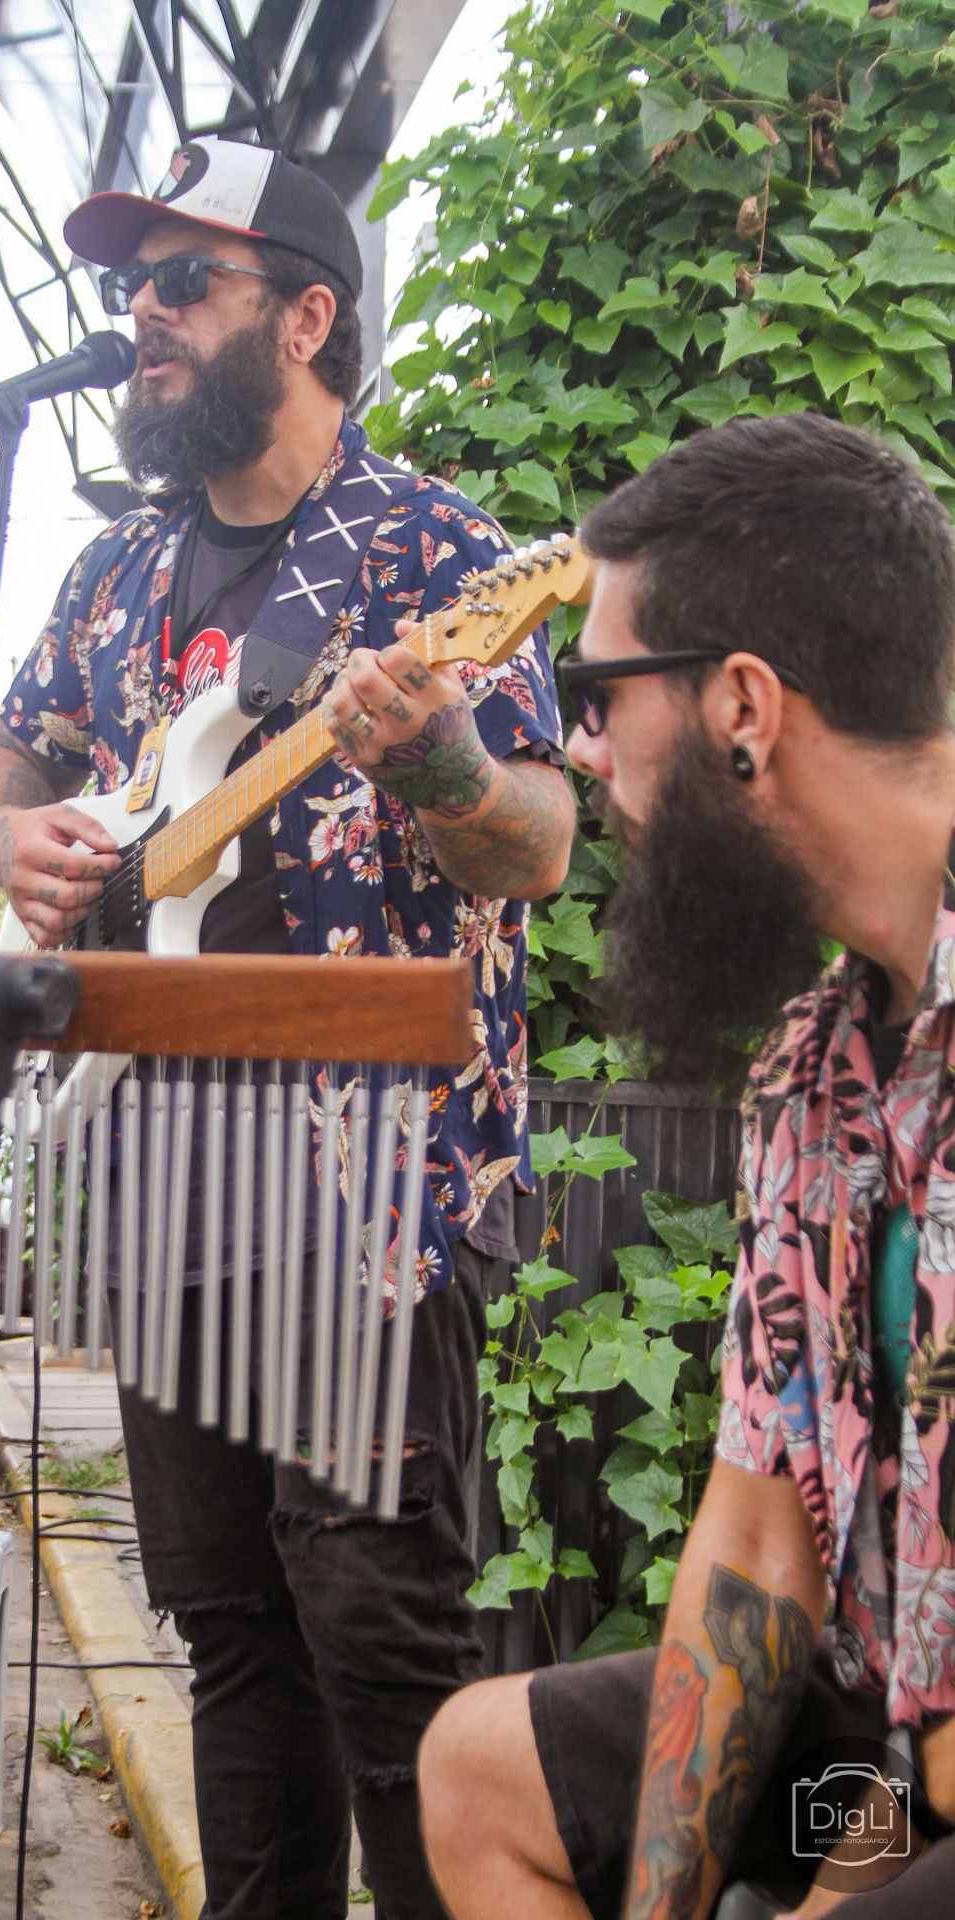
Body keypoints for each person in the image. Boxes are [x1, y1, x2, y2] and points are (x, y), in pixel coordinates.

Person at [0, 136, 574, 1919]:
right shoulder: (118, 578)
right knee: (227, 1634)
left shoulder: (437, 553)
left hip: (364, 1196)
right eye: (126, 287)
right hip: (159, 1177)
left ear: (306, 314)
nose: (137, 318)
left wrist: (433, 751)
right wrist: (20, 841)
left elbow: (532, 843)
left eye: (180, 283)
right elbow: (9, 765)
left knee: (380, 1644)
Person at [416, 410, 955, 1920]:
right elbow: (759, 1527)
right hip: (903, 1732)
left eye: (595, 695)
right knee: (475, 1771)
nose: (577, 752)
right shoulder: (815, 1065)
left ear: (741, 705)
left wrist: (850, 1881)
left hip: (933, 1761)